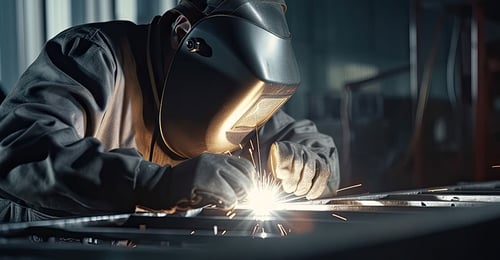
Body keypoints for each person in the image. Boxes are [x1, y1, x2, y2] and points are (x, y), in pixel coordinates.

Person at [0, 0, 340, 222]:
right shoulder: (95, 55)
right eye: (227, 96)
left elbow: (308, 143)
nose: (241, 118)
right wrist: (159, 184)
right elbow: (21, 149)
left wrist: (312, 166)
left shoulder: (244, 94)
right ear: (183, 35)